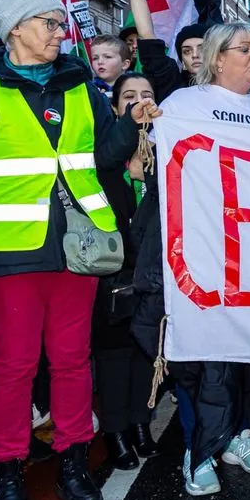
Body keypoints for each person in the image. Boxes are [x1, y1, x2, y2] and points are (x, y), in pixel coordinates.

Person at [0, 0, 161, 500]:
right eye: (49, 23)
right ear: (15, 28)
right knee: (12, 367)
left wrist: (133, 120)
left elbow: (105, 155)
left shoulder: (80, 81)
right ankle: (8, 471)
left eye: (62, 24)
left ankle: (71, 461)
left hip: (79, 251)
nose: (61, 33)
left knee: (71, 360)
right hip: (10, 254)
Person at [139, 23, 250, 495]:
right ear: (218, 58)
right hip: (197, 251)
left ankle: (235, 434)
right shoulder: (184, 105)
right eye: (245, 49)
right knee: (197, 354)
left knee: (243, 348)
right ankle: (196, 449)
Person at [92, 73, 162, 471]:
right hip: (114, 275)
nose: (139, 103)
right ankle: (115, 432)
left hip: (151, 273)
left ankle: (141, 424)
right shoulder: (104, 159)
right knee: (115, 356)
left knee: (146, 352)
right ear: (117, 108)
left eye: (147, 95)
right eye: (129, 97)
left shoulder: (169, 154)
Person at [122, 0, 210, 102]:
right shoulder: (172, 84)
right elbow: (147, 33)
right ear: (181, 60)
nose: (195, 55)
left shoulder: (231, 86)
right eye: (187, 51)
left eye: (202, 48)